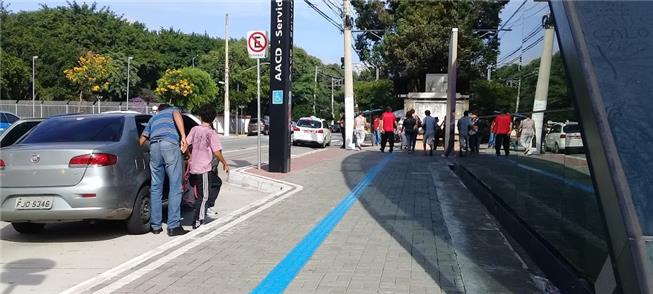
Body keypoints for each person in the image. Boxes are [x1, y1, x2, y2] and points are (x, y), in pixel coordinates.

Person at [139, 104, 189, 236]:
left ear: (159, 109)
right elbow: (177, 115)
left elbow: (142, 139)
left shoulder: (153, 118)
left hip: (154, 147)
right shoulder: (172, 110)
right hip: (169, 144)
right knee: (175, 186)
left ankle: (155, 226)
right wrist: (183, 136)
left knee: (155, 187)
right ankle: (173, 226)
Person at [186, 105, 230, 229]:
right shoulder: (211, 133)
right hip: (204, 168)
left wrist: (190, 156)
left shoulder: (195, 129)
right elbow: (217, 152)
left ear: (200, 117)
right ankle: (198, 220)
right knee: (203, 196)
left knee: (215, 184)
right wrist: (225, 163)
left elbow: (185, 144)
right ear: (213, 119)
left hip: (194, 166)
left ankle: (204, 209)